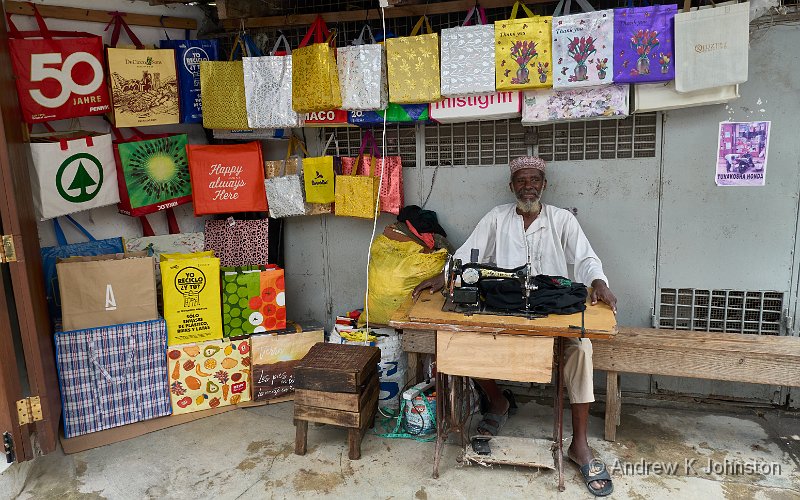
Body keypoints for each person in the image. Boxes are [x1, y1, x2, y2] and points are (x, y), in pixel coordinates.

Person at [413, 156, 616, 497]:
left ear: (544, 185)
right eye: (521, 181)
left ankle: (579, 445)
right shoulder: (496, 218)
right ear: (512, 186)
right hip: (506, 307)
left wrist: (598, 281)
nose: (528, 186)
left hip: (549, 310)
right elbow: (468, 253)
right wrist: (445, 275)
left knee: (581, 349)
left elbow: (585, 258)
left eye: (534, 180)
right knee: (461, 340)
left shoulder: (561, 220)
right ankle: (497, 401)